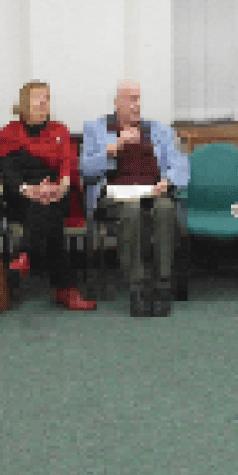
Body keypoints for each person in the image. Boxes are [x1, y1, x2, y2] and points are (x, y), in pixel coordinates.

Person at [81, 79, 191, 317]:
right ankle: (137, 288)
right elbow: (86, 169)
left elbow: (182, 165)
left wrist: (168, 180)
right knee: (130, 210)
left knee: (165, 209)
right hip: (114, 197)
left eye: (139, 98)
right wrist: (114, 147)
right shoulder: (96, 129)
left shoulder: (158, 130)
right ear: (117, 103)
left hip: (151, 192)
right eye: (131, 99)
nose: (136, 105)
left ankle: (162, 286)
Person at [0, 80, 96, 310]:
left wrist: (60, 187)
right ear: (23, 104)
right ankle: (65, 289)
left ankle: (24, 253)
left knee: (48, 207)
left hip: (57, 193)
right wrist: (30, 191)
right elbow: (7, 173)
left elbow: (68, 165)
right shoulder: (7, 134)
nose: (43, 102)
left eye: (47, 97)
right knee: (48, 215)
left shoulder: (60, 130)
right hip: (21, 197)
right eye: (37, 97)